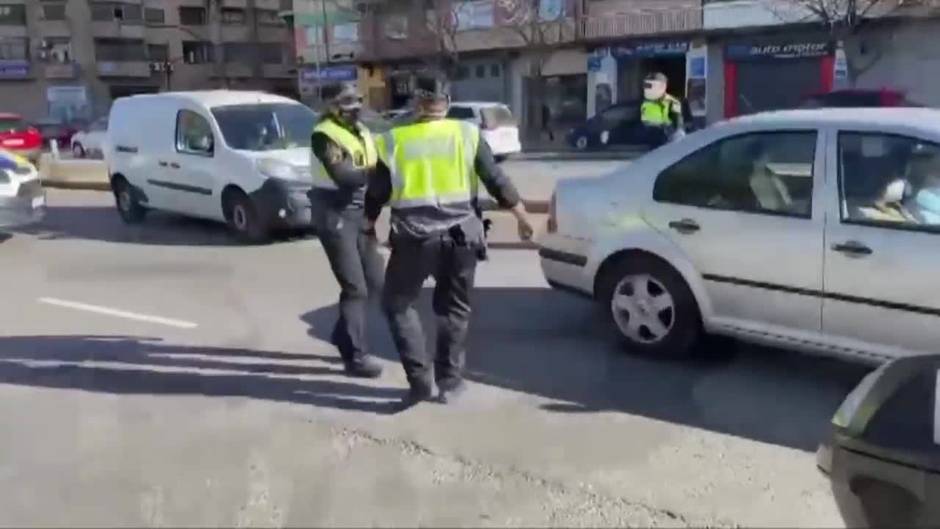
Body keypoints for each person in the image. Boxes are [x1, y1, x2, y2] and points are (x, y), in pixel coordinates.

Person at [366, 73, 535, 406]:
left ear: (417, 102)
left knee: (398, 304)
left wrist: (368, 226)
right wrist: (523, 217)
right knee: (453, 309)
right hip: (462, 238)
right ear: (447, 102)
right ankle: (450, 383)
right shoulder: (467, 134)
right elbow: (496, 179)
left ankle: (419, 382)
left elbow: (377, 193)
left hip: (414, 240)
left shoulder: (393, 140)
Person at [308, 82, 384, 379]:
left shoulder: (362, 131)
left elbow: (371, 167)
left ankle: (343, 336)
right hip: (334, 212)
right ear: (329, 104)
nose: (355, 106)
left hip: (360, 213)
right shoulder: (323, 135)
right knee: (355, 288)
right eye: (346, 101)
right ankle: (356, 356)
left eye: (358, 100)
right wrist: (371, 175)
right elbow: (344, 176)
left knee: (375, 282)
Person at [641, 72, 684, 145]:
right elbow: (645, 122)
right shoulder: (646, 103)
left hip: (669, 137)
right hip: (652, 137)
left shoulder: (673, 102)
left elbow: (678, 122)